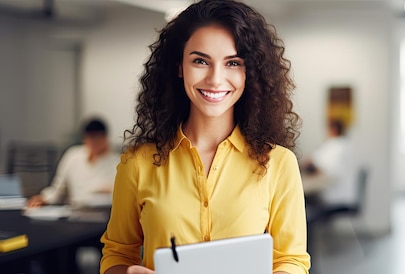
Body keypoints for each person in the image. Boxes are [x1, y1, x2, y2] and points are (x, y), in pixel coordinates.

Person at [99, 1, 310, 274]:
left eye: (233, 63)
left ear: (250, 73)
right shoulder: (137, 164)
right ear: (179, 66)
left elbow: (291, 261)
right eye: (200, 61)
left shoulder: (278, 163)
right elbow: (116, 254)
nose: (215, 79)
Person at [26, 118, 119, 208]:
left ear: (105, 138)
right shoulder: (73, 156)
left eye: (98, 137)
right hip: (74, 211)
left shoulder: (118, 162)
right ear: (85, 138)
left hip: (104, 212)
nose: (94, 141)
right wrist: (43, 198)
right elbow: (58, 190)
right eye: (91, 137)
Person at [301, 119, 357, 207]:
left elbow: (324, 168)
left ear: (334, 129)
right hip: (343, 193)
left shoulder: (337, 145)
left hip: (335, 195)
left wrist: (311, 164)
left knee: (300, 189)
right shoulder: (345, 145)